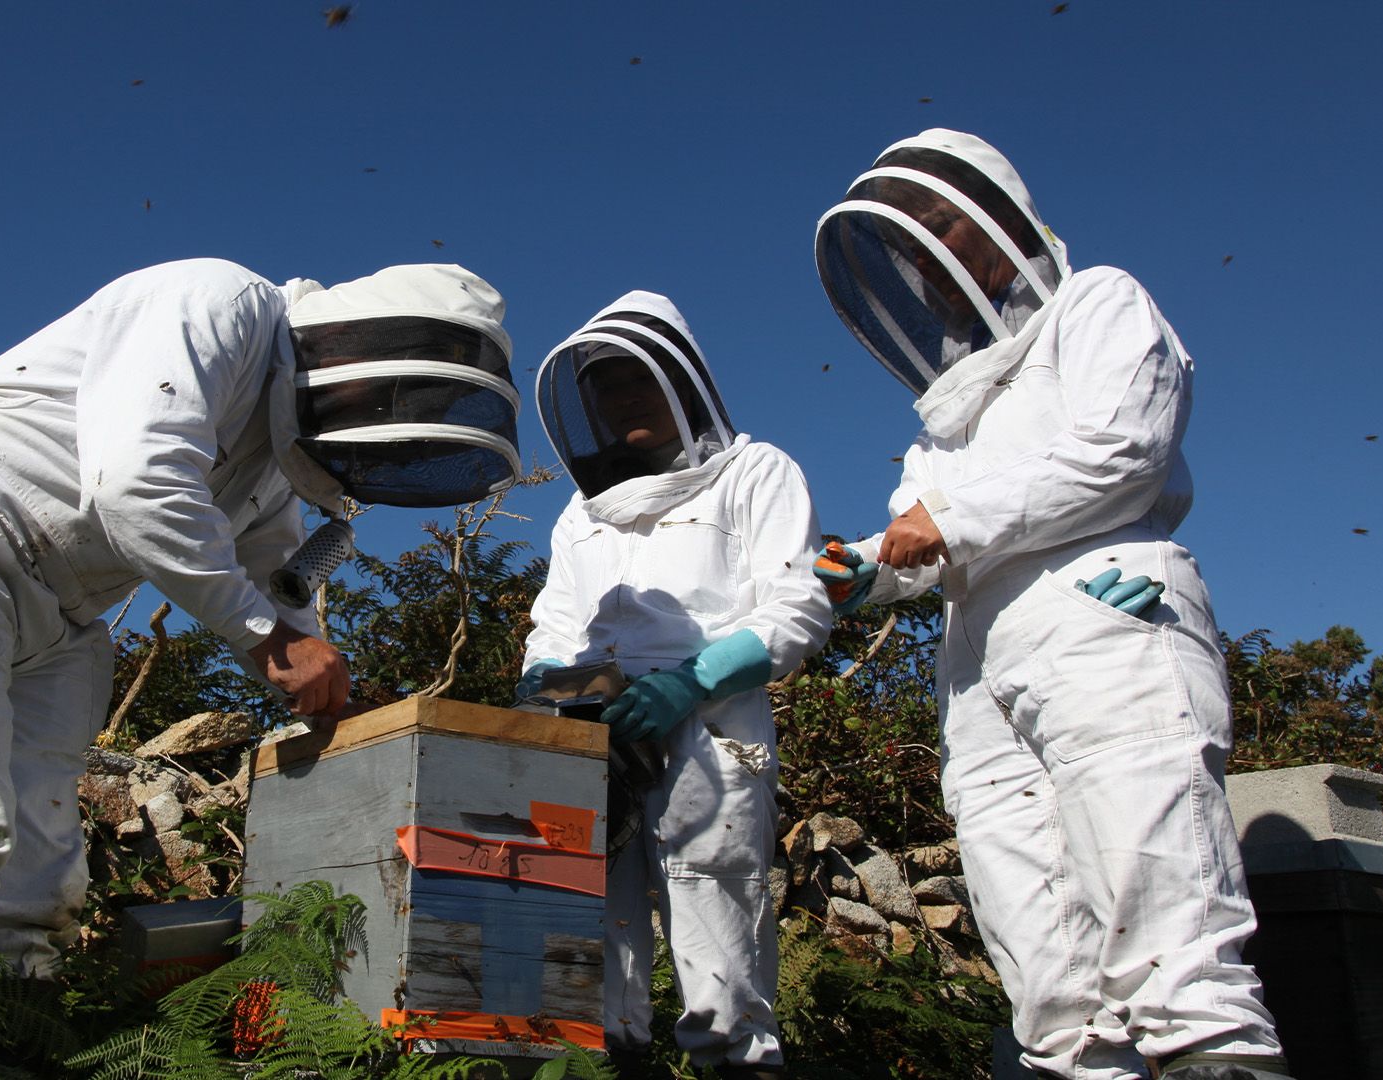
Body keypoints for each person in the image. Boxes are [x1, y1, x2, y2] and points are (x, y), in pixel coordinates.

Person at [0, 258, 520, 1078]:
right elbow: (136, 483)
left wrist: (328, 692)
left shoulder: (267, 465)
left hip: (62, 617)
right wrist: (272, 645)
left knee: (36, 897)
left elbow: (279, 578)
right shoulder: (216, 301)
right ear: (360, 350)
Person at [811, 129, 1289, 1080]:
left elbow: (1121, 452)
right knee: (1044, 960)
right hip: (980, 673)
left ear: (1002, 222)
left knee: (1163, 907)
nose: (934, 261)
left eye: (947, 227)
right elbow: (917, 541)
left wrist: (941, 524)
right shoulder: (947, 422)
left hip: (1103, 610)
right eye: (915, 249)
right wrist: (853, 567)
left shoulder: (1097, 302)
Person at [521, 291, 832, 1079]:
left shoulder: (756, 473)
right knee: (593, 943)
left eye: (636, 378)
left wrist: (690, 682)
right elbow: (554, 623)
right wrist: (550, 696)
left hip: (710, 727)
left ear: (681, 382)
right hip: (592, 733)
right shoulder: (581, 514)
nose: (623, 397)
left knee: (718, 933)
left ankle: (736, 1064)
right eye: (606, 386)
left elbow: (797, 605)